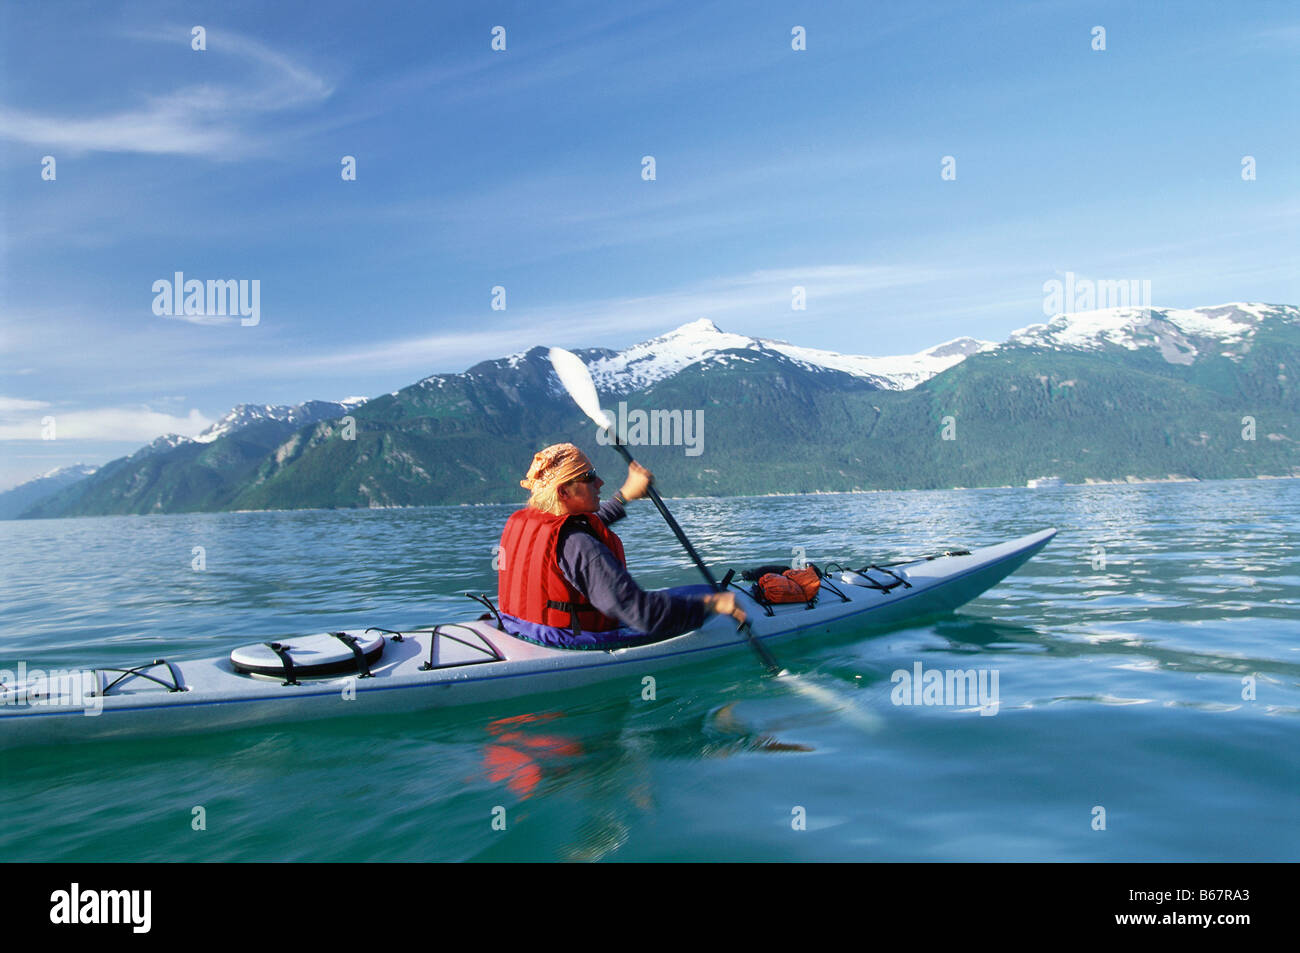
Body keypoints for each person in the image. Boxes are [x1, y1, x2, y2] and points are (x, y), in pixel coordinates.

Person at [496, 442, 746, 649]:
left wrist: (625, 494)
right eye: (589, 477)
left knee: (695, 595)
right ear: (563, 493)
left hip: (518, 626)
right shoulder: (581, 546)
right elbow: (640, 614)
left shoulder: (531, 523)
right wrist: (714, 605)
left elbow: (585, 530)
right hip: (566, 639)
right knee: (704, 594)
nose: (600, 482)